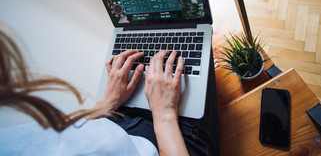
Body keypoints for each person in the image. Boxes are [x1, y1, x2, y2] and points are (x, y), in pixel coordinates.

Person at [0, 30, 220, 155]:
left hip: (112, 120)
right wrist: (164, 116)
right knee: (201, 49)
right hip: (169, 142)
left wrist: (107, 102)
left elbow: (63, 138)